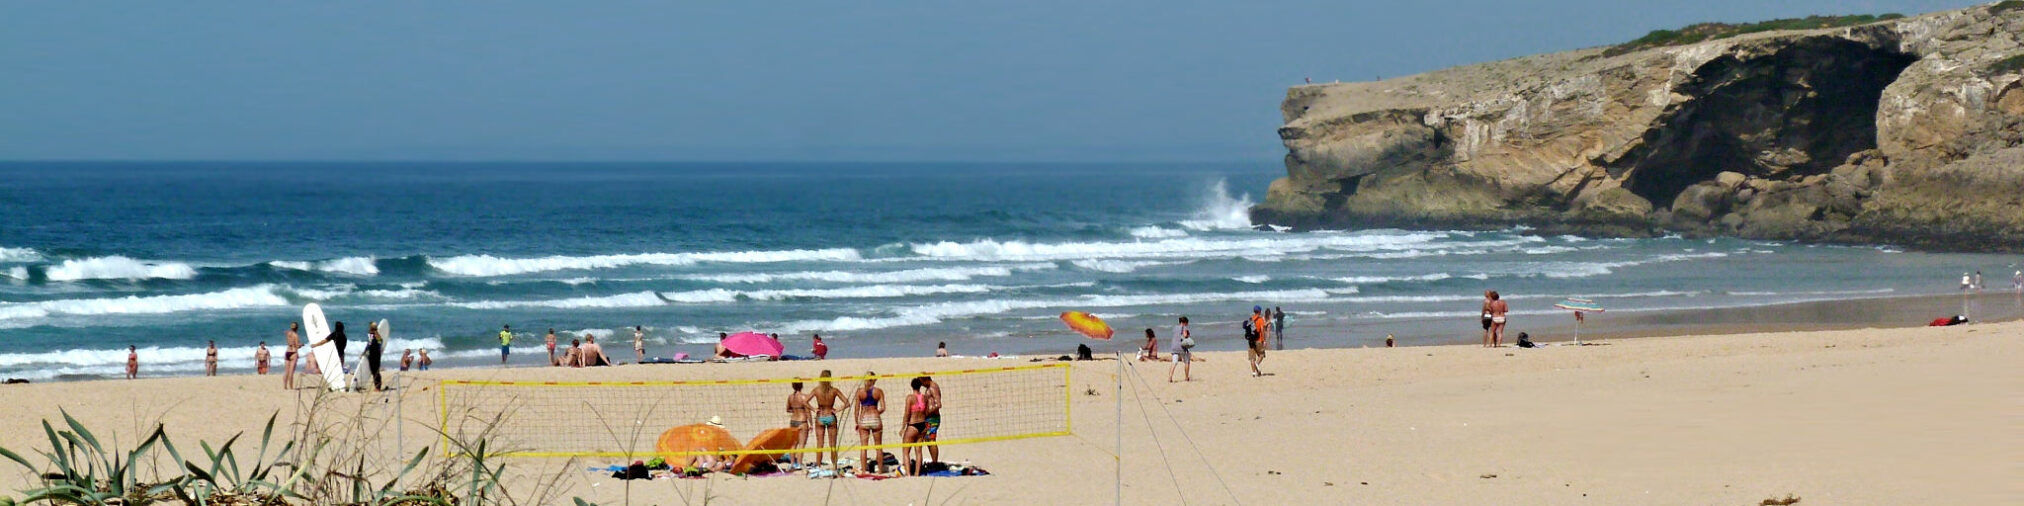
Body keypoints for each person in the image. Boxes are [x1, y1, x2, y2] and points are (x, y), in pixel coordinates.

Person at [900, 377, 936, 476]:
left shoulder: (910, 398)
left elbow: (907, 413)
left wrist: (903, 427)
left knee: (906, 451)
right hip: (922, 425)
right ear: (920, 386)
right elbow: (927, 412)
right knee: (918, 451)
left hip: (913, 425)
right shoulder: (925, 397)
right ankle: (916, 474)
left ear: (912, 386)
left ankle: (908, 474)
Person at [809, 370, 844, 470]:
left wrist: (814, 409)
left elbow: (805, 401)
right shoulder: (834, 390)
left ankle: (818, 466)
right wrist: (837, 410)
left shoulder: (816, 390)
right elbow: (847, 403)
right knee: (833, 444)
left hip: (820, 416)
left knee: (820, 444)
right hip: (831, 416)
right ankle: (834, 466)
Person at [852, 372, 887, 473]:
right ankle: (880, 470)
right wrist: (876, 412)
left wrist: (856, 422)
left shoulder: (860, 391)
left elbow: (856, 409)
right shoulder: (879, 391)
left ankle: (863, 470)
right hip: (875, 417)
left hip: (864, 418)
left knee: (864, 447)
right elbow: (883, 408)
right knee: (878, 446)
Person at [785, 382, 813, 467]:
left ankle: (792, 463)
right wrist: (811, 423)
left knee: (793, 444)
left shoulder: (790, 397)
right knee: (801, 444)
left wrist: (796, 410)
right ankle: (799, 463)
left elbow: (788, 409)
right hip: (802, 421)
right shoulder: (804, 397)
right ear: (802, 386)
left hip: (793, 421)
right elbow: (808, 412)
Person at [921, 375, 943, 464]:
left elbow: (939, 404)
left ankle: (935, 462)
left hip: (932, 418)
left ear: (926, 380)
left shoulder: (933, 388)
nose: (922, 385)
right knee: (928, 440)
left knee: (931, 440)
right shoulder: (930, 387)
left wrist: (927, 412)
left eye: (922, 382)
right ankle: (934, 462)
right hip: (929, 418)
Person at [1169, 316, 1193, 383]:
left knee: (1174, 362)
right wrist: (1188, 336)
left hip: (1174, 347)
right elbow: (1185, 336)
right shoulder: (1184, 328)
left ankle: (1170, 377)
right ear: (1185, 322)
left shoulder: (1175, 328)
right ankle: (1186, 377)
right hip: (1181, 347)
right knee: (1187, 361)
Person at [1247, 306, 1269, 377]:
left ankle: (1253, 373)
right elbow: (1262, 330)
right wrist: (1264, 340)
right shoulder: (1260, 319)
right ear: (1259, 311)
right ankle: (1257, 364)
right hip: (1258, 340)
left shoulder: (1250, 319)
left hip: (1251, 341)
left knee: (1252, 358)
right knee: (1262, 355)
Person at [363, 321, 385, 391]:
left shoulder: (373, 334)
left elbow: (371, 344)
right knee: (375, 370)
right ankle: (377, 386)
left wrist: (364, 352)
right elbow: (378, 343)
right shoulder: (374, 335)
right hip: (375, 354)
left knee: (375, 371)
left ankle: (378, 387)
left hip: (374, 354)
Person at [283, 322, 301, 390]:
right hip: (293, 352)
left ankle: (285, 386)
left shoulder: (288, 333)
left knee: (286, 371)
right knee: (291, 372)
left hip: (287, 352)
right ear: (297, 328)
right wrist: (301, 345)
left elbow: (286, 333)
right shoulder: (296, 335)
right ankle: (291, 387)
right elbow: (296, 345)